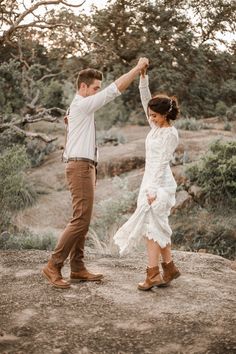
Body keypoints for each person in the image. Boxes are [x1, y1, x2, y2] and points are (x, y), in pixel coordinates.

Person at [42, 57, 149, 289]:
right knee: (80, 219)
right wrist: (137, 69)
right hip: (80, 167)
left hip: (86, 166)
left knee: (83, 219)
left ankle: (78, 268)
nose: (97, 92)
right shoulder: (81, 104)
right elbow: (114, 91)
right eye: (94, 88)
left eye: (97, 88)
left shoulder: (79, 108)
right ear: (83, 87)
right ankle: (53, 265)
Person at [114, 68, 181, 290]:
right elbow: (146, 101)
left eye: (153, 115)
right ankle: (169, 268)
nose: (149, 117)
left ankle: (153, 274)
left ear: (164, 115)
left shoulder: (169, 134)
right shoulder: (156, 126)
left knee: (152, 228)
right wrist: (143, 79)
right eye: (150, 115)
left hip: (159, 184)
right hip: (151, 182)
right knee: (158, 226)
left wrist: (152, 191)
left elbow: (162, 163)